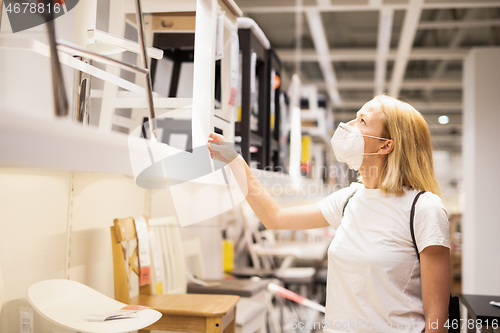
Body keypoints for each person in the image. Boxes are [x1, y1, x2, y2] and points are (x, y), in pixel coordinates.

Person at [208, 94, 450, 333]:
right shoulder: (349, 199)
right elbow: (274, 218)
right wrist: (235, 160)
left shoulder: (424, 209)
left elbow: (437, 318)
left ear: (386, 145)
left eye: (362, 121)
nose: (347, 127)